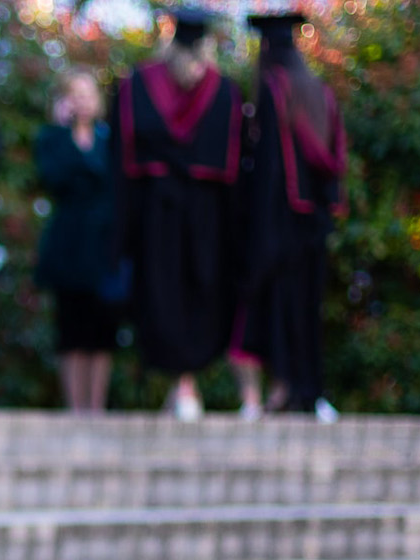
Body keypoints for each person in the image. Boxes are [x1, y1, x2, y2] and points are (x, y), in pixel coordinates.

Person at [112, 5, 244, 421]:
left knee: (162, 292)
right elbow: (233, 166)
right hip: (206, 213)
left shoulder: (139, 85)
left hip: (157, 210)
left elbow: (122, 157)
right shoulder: (224, 91)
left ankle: (180, 385)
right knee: (199, 290)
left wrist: (122, 225)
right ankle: (186, 386)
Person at [238, 11, 346, 421]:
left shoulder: (274, 88)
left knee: (280, 307)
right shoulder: (319, 92)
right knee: (308, 308)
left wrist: (257, 228)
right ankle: (310, 392)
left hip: (280, 222)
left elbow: (269, 167)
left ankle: (284, 389)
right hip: (314, 223)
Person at [35, 66, 123, 414]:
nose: (82, 102)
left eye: (87, 95)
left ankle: (95, 406)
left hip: (102, 242)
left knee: (102, 331)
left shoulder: (109, 138)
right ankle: (75, 406)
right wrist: (63, 132)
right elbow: (51, 178)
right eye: (75, 95)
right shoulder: (53, 138)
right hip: (69, 242)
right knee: (70, 328)